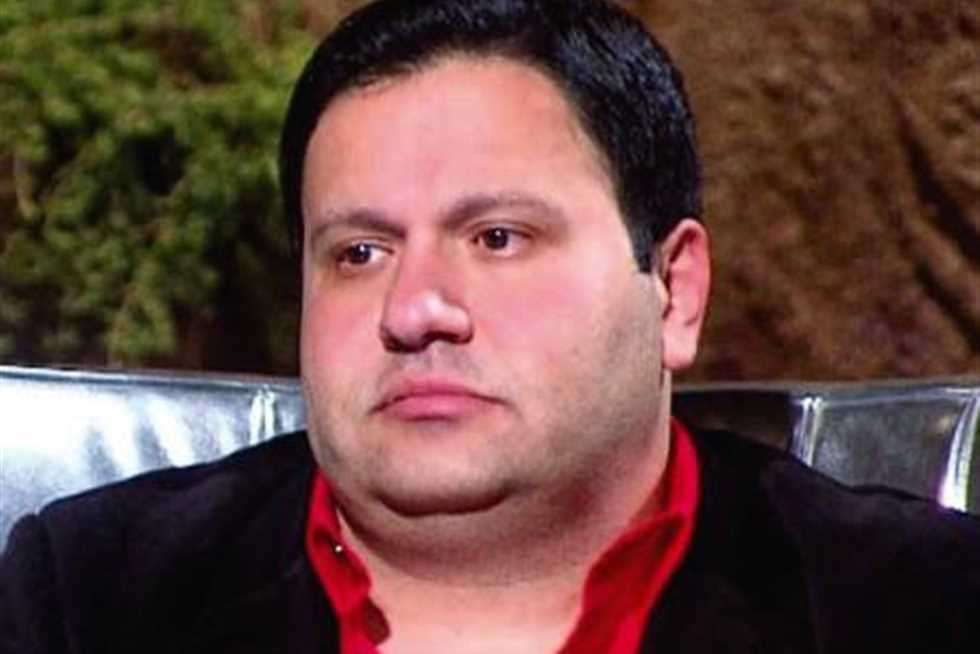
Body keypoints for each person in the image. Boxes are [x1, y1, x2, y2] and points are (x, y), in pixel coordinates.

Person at [2, 0, 978, 652]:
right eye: (359, 253)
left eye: (498, 238)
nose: (415, 310)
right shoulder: (90, 594)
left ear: (674, 291)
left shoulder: (916, 603)